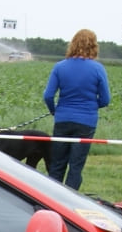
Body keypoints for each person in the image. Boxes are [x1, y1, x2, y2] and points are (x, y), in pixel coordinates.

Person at [40, 28, 111, 189]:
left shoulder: (60, 67)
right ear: (93, 46)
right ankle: (70, 202)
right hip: (86, 122)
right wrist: (92, 106)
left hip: (63, 119)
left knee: (57, 165)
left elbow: (48, 95)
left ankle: (52, 199)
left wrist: (54, 110)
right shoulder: (98, 69)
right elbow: (106, 99)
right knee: (76, 167)